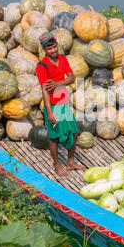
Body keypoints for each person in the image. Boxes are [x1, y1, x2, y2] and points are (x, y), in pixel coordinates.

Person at [35, 32, 86, 177]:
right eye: (49, 49)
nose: (53, 51)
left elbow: (71, 78)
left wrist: (58, 83)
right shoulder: (41, 66)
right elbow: (45, 90)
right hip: (53, 105)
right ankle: (57, 165)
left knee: (74, 133)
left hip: (64, 103)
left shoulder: (63, 59)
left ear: (57, 44)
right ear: (44, 50)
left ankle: (70, 162)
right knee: (54, 137)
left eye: (54, 47)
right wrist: (49, 112)